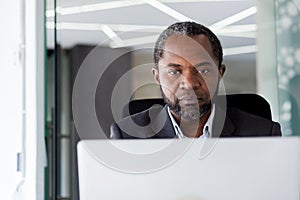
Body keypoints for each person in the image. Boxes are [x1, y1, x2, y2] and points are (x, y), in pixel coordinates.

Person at [110, 21, 281, 139]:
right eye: (174, 72)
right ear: (157, 77)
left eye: (203, 70)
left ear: (220, 72)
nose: (190, 83)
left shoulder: (263, 133)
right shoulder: (126, 135)